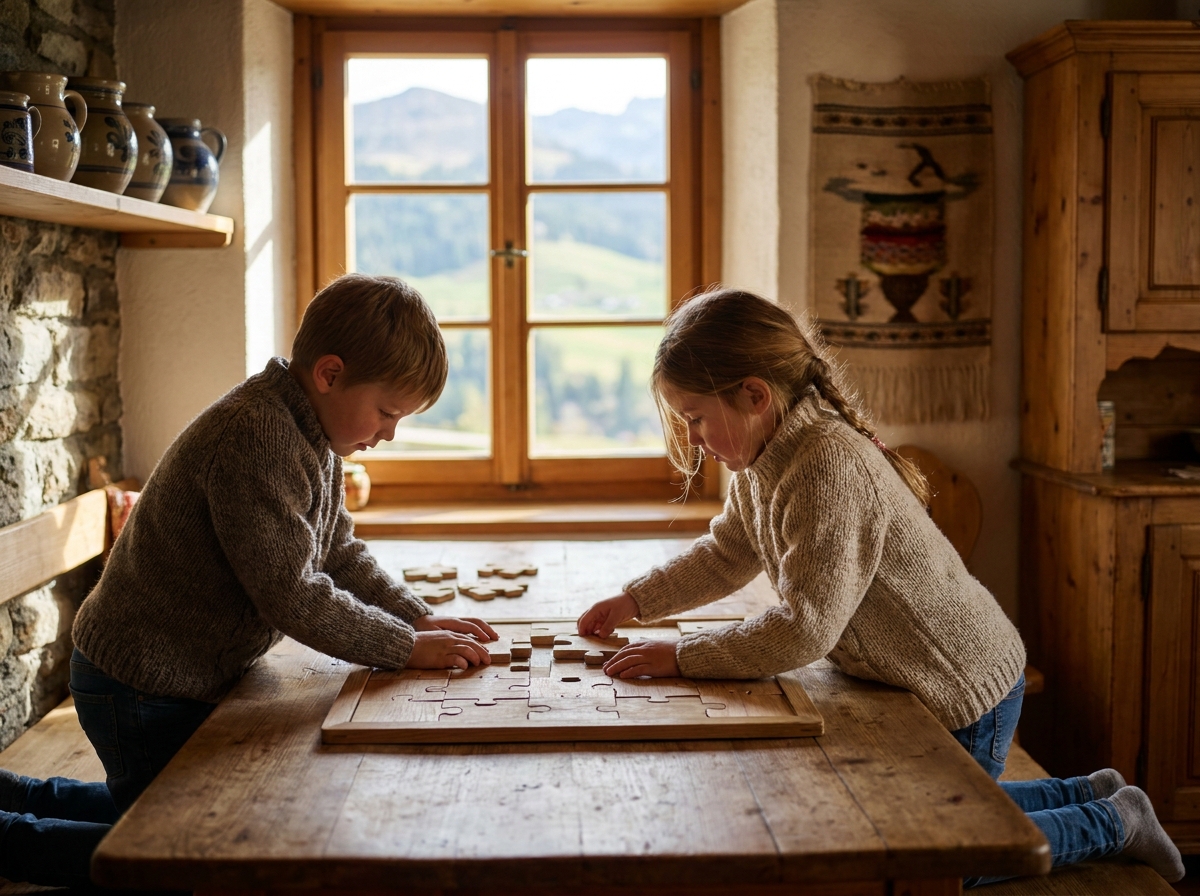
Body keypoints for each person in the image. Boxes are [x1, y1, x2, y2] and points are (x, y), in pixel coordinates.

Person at [576, 287, 1185, 886]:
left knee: (936, 860)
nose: (694, 440)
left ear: (754, 394)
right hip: (900, 682)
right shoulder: (763, 458)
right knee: (926, 819)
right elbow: (729, 551)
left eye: (697, 419)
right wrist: (637, 600)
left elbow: (804, 629)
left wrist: (684, 657)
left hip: (959, 690)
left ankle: (1113, 821)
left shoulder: (825, 464)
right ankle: (1085, 791)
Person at [0, 274, 497, 889]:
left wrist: (415, 616)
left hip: (179, 674)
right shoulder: (257, 435)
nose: (390, 433)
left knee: (151, 817)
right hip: (142, 682)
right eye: (388, 412)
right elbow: (293, 594)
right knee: (177, 850)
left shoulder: (313, 433)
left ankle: (12, 797)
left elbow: (337, 551)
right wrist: (402, 647)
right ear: (331, 374)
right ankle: (10, 844)